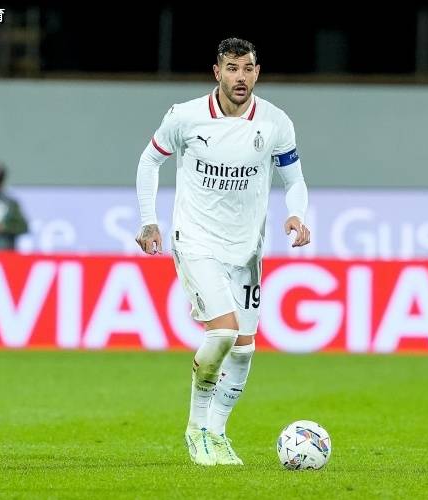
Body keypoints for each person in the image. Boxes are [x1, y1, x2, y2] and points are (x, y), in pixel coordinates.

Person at [135, 38, 310, 466]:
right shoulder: (185, 116)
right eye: (232, 68)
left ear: (257, 72)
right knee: (223, 332)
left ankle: (217, 432)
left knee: (245, 349)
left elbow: (294, 178)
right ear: (217, 72)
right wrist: (149, 220)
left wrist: (297, 214)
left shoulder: (275, 122)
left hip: (246, 249)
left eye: (247, 68)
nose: (240, 77)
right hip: (196, 240)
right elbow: (149, 161)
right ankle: (196, 428)